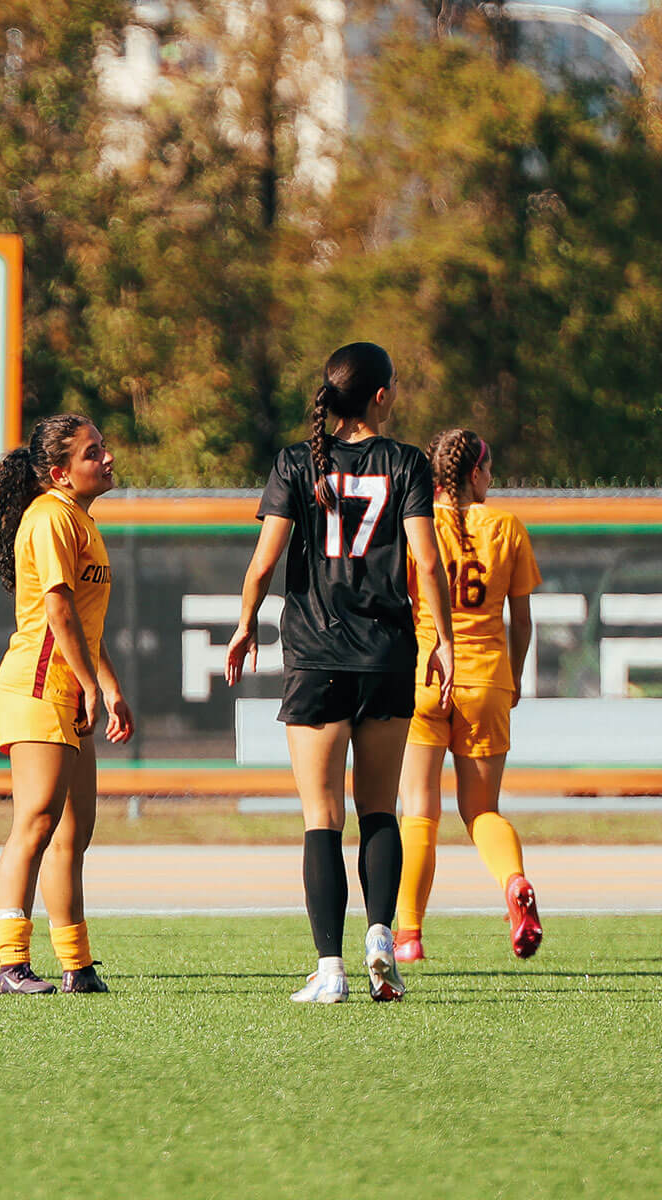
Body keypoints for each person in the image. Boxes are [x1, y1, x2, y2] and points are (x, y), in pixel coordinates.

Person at [226, 341, 455, 1004]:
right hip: (387, 655)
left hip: (317, 656)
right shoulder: (406, 462)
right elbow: (428, 563)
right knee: (381, 809)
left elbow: (264, 562)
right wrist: (438, 637)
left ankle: (330, 970)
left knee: (321, 818)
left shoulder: (297, 461)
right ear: (381, 395)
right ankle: (382, 937)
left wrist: (244, 623)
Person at [0, 414, 134, 996]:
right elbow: (58, 611)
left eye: (103, 446)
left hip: (69, 686)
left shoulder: (80, 520)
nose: (107, 457)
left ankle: (77, 963)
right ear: (59, 473)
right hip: (37, 684)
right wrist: (91, 687)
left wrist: (110, 688)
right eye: (93, 452)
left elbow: (86, 625)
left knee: (74, 829)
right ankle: (12, 963)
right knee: (37, 820)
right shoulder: (49, 516)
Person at [395, 429, 543, 962]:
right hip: (485, 679)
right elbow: (521, 618)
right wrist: (516, 675)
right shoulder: (505, 526)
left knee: (418, 811)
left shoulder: (417, 523)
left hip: (426, 674)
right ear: (475, 474)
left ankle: (408, 935)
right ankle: (514, 883)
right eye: (490, 468)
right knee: (482, 810)